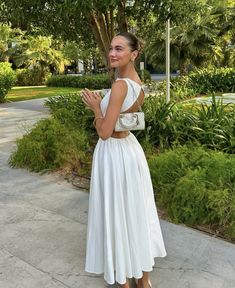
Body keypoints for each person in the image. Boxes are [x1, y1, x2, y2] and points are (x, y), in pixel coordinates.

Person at [82, 32, 167, 288]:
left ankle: (125, 282)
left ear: (134, 54)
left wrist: (97, 108)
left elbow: (105, 133)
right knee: (134, 214)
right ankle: (143, 281)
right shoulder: (137, 84)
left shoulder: (120, 86)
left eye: (119, 49)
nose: (112, 53)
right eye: (111, 48)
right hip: (130, 151)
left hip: (114, 154)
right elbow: (123, 121)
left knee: (119, 214)